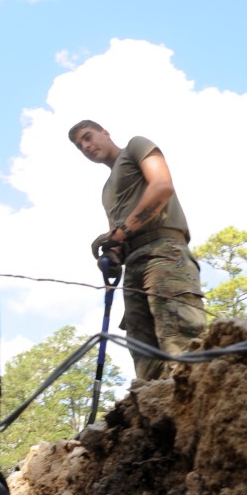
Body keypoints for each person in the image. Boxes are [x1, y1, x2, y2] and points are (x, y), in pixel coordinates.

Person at [68, 120, 206, 380]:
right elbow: (116, 234)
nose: (85, 146)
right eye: (79, 146)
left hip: (163, 253)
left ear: (105, 133)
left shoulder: (135, 146)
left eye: (88, 137)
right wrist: (111, 253)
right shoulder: (106, 190)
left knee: (182, 345)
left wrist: (122, 232)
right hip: (133, 266)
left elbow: (162, 186)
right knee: (146, 362)